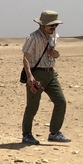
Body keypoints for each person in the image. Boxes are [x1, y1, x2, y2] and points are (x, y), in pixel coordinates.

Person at [22, 10, 70, 145]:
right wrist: (30, 76)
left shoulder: (55, 36)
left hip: (51, 73)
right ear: (42, 25)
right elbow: (26, 58)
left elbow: (54, 55)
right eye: (51, 25)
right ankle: (27, 134)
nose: (54, 28)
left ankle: (55, 133)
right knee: (32, 107)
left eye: (56, 25)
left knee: (61, 102)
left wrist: (56, 54)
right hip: (37, 74)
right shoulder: (32, 38)